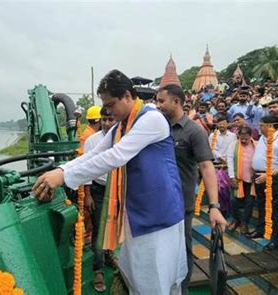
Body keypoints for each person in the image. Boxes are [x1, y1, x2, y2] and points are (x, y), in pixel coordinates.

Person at [33, 70, 187, 294]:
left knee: (156, 275)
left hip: (159, 211)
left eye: (111, 104)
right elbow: (94, 153)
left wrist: (64, 177)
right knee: (138, 273)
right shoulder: (122, 125)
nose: (109, 111)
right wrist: (61, 169)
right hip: (137, 209)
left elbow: (116, 156)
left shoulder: (151, 118)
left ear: (127, 96)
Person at [155, 84, 227, 295]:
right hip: (158, 201)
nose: (158, 105)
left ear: (176, 101)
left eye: (162, 101)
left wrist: (214, 206)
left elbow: (206, 167)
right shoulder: (159, 127)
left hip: (181, 203)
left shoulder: (194, 131)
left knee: (182, 251)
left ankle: (181, 290)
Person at [248, 115, 278, 251]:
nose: (259, 127)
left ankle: (277, 239)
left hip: (276, 178)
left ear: (269, 126)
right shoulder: (263, 137)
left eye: (261, 124)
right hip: (259, 176)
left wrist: (268, 175)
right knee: (262, 204)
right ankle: (261, 229)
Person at [83, 107, 116, 292]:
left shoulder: (122, 138)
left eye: (110, 119)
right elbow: (87, 168)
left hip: (116, 189)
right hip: (97, 189)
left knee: (113, 226)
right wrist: (87, 195)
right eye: (103, 119)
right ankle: (98, 270)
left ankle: (109, 255)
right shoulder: (91, 141)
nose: (106, 123)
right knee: (98, 228)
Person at [226, 126, 257, 234]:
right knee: (234, 201)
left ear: (250, 136)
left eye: (246, 138)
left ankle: (245, 223)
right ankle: (236, 220)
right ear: (238, 136)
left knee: (250, 202)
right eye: (241, 138)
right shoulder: (233, 145)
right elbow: (229, 160)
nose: (243, 140)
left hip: (251, 179)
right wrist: (231, 177)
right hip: (237, 179)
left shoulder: (256, 145)